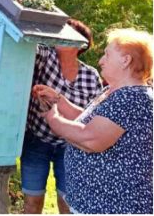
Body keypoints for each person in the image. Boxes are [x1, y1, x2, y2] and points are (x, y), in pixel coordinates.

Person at [38, 28, 154, 215]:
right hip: (96, 204)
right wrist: (58, 100)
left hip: (114, 206)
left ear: (126, 60)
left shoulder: (132, 98)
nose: (100, 61)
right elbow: (89, 119)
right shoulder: (116, 91)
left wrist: (53, 118)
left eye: (107, 55)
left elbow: (91, 139)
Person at [22, 19, 103, 214]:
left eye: (67, 34)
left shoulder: (91, 76)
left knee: (67, 204)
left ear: (80, 45)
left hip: (72, 147)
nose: (60, 36)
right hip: (37, 141)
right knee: (32, 203)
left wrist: (60, 101)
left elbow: (94, 117)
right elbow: (28, 45)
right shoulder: (46, 58)